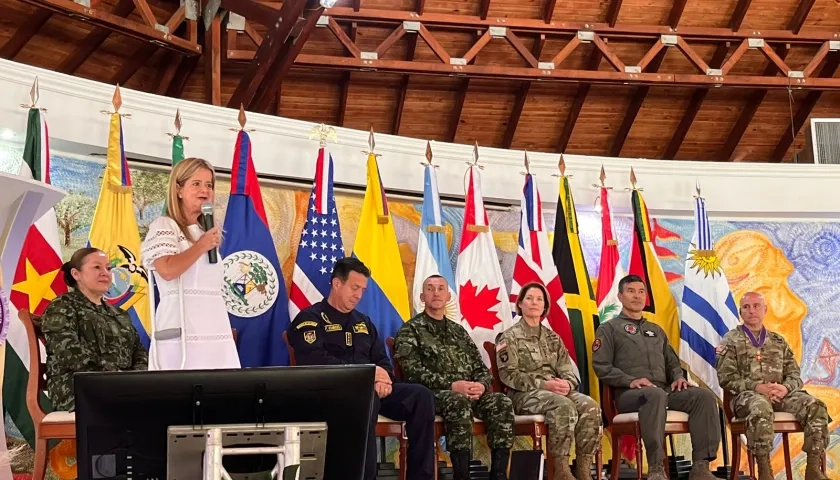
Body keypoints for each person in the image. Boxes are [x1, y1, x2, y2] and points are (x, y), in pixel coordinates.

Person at [286, 258, 436, 480]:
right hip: (334, 392)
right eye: (354, 288)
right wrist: (366, 375)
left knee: (421, 397)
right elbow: (313, 360)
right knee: (367, 399)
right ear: (337, 283)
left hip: (372, 388)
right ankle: (365, 476)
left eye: (362, 290)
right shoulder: (310, 319)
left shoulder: (363, 322)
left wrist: (382, 378)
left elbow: (381, 359)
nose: (358, 295)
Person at [592, 274, 719, 480]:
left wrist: (678, 376)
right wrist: (629, 380)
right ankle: (656, 468)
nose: (637, 296)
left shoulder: (656, 330)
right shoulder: (609, 329)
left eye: (641, 292)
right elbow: (601, 366)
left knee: (703, 397)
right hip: (630, 394)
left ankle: (701, 467)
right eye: (631, 291)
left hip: (663, 391)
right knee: (654, 395)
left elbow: (672, 362)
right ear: (620, 296)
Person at [395, 275, 514, 480]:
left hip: (470, 392)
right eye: (430, 289)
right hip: (435, 395)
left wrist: (482, 386)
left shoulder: (458, 331)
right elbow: (412, 372)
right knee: (457, 401)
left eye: (441, 288)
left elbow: (479, 367)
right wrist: (452, 385)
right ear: (422, 296)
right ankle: (462, 475)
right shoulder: (410, 329)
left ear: (448, 296)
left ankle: (499, 474)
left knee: (501, 401)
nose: (436, 293)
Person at [717, 291, 831, 480]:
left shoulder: (778, 341)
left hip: (782, 394)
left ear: (765, 310)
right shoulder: (730, 341)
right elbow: (726, 378)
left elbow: (795, 375)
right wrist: (757, 387)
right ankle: (764, 469)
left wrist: (785, 388)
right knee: (760, 408)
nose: (751, 310)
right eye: (746, 307)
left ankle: (813, 467)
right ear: (740, 312)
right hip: (747, 397)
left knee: (815, 406)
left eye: (756, 306)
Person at [141, 157, 239, 370]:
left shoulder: (206, 232)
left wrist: (203, 242)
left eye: (209, 185)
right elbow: (167, 270)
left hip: (214, 327)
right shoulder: (165, 225)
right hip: (182, 331)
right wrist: (200, 246)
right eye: (196, 184)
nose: (205, 190)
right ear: (179, 190)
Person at [495, 282, 601, 480]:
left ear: (545, 307)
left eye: (539, 299)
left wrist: (567, 384)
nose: (534, 303)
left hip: (555, 392)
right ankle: (560, 468)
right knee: (563, 405)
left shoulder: (553, 338)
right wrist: (544, 385)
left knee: (590, 406)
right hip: (524, 396)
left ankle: (584, 468)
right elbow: (508, 375)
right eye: (529, 298)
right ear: (519, 304)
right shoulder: (508, 337)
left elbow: (567, 370)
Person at [40, 248, 148, 411]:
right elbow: (67, 351)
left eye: (108, 268)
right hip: (79, 390)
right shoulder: (62, 306)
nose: (105, 273)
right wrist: (114, 376)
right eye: (97, 267)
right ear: (76, 274)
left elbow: (139, 351)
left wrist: (134, 378)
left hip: (123, 389)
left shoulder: (119, 313)